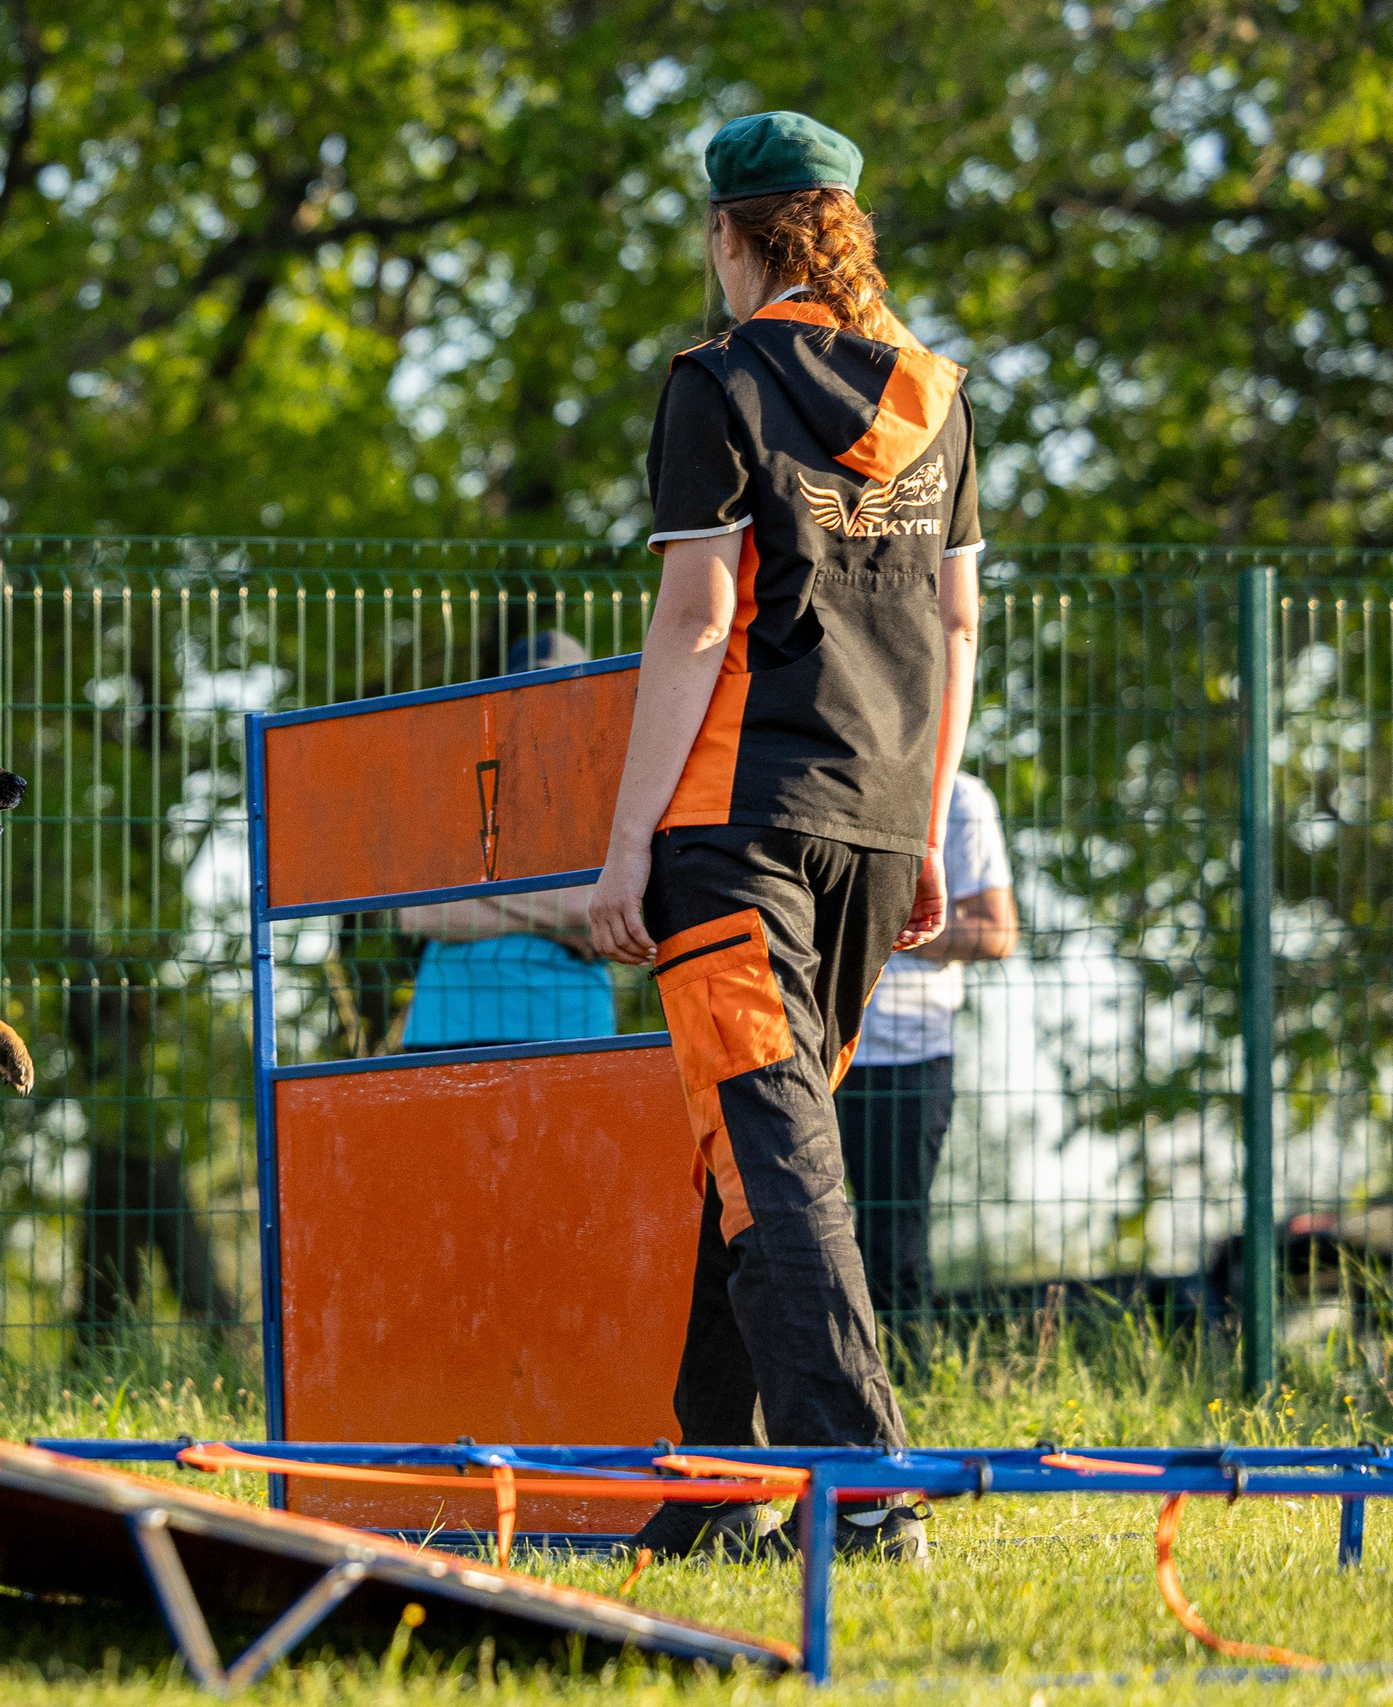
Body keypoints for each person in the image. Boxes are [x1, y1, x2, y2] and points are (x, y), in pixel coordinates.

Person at [585, 111, 982, 1565]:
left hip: (733, 829)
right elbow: (957, 626)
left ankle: (863, 1492)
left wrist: (627, 842)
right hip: (875, 828)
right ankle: (710, 1488)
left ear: (730, 235)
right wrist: (926, 830)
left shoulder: (718, 382)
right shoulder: (938, 397)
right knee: (750, 1142)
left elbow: (697, 615)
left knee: (773, 1155)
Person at [837, 770, 1017, 1345]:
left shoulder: (962, 798)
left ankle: (906, 1378)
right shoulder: (821, 771)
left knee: (893, 1244)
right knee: (787, 1231)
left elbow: (997, 932)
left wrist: (882, 921)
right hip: (806, 1042)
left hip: (907, 1055)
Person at [397, 630, 612, 1049]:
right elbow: (420, 914)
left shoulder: (605, 789)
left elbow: (591, 909)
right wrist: (556, 925)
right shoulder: (457, 783)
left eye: (560, 689)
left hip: (567, 1021)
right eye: (529, 687)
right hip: (451, 1021)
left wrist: (473, 892)